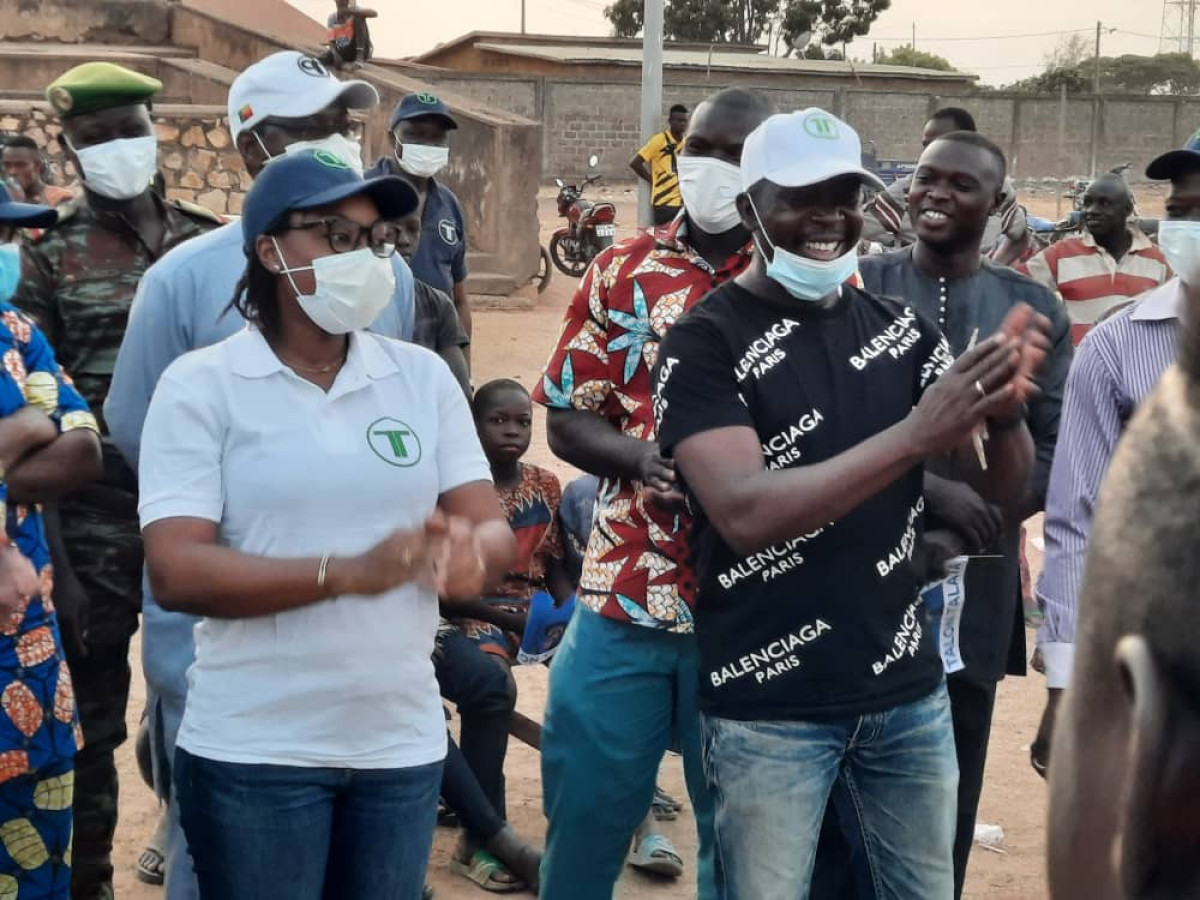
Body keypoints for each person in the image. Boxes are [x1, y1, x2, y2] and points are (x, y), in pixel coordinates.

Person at [651, 107, 1049, 900]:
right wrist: (914, 435)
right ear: (753, 205)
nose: (830, 217)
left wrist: (1003, 417)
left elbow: (995, 502)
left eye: (846, 195)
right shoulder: (705, 341)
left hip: (905, 695)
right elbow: (745, 512)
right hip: (769, 708)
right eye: (803, 196)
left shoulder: (898, 331)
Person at [137, 149, 513, 899]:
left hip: (398, 745)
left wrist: (473, 556)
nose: (365, 257)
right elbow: (177, 572)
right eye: (334, 236)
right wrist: (345, 573)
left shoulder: (420, 378)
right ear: (270, 250)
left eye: (373, 240)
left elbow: (489, 528)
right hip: (254, 750)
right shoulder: (203, 387)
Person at [101, 50, 415, 900]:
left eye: (343, 126)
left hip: (364, 667)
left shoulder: (392, 278)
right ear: (250, 151)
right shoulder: (177, 284)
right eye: (309, 129)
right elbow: (134, 434)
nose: (338, 144)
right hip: (223, 654)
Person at [533, 87, 771, 900]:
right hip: (624, 591)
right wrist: (642, 460)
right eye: (701, 148)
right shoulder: (622, 267)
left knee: (743, 843)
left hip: (754, 608)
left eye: (737, 154)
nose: (713, 166)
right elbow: (567, 416)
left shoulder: (805, 287)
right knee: (585, 816)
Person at [12, 62, 223, 900]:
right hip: (95, 517)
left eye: (128, 131)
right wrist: (59, 566)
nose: (117, 149)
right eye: (96, 140)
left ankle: (206, 862)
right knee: (88, 719)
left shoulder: (209, 241)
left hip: (204, 512)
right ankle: (90, 879)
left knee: (206, 700)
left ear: (153, 129)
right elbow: (42, 423)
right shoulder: (45, 253)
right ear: (69, 146)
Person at [859, 129, 1072, 898]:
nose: (935, 195)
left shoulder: (1033, 308)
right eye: (925, 179)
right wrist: (915, 505)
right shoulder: (863, 286)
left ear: (998, 204)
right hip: (863, 567)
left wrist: (966, 524)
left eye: (960, 184)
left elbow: (1056, 453)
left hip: (976, 581)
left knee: (951, 777)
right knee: (849, 771)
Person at [1044, 166, 1200, 900]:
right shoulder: (1114, 350)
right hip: (1164, 702)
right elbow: (1077, 524)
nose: (1190, 225)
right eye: (1184, 209)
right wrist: (1069, 687)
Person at [0, 185, 102, 900]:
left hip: (29, 671)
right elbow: (45, 429)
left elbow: (82, 449)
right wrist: (22, 432)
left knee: (39, 873)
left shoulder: (16, 332)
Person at [368, 93, 471, 351]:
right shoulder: (361, 194)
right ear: (392, 137)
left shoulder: (449, 205)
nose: (428, 144)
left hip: (433, 348)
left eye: (436, 137)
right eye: (415, 134)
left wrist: (463, 364)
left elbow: (459, 298)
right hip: (375, 344)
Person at [1018, 173, 1170, 344]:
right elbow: (1011, 287)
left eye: (1104, 204)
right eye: (1087, 203)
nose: (1091, 211)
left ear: (1127, 210)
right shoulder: (1061, 254)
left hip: (1138, 368)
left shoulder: (1159, 261)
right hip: (1080, 368)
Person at [865, 106, 1027, 255]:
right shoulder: (908, 190)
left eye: (944, 144)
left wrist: (994, 271)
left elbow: (1019, 236)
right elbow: (852, 229)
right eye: (927, 146)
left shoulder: (997, 190)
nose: (932, 152)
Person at [394, 198, 470, 394]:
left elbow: (459, 394)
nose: (404, 240)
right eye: (392, 230)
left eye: (413, 229)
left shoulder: (436, 307)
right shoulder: (347, 307)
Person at [631, 104, 689, 226]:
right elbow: (635, 163)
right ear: (670, 121)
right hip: (663, 204)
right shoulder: (659, 141)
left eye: (684, 121)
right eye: (679, 120)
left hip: (683, 203)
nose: (682, 124)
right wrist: (651, 180)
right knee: (662, 240)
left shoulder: (686, 143)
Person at [2, 136, 73, 208]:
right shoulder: (4, 202)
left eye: (20, 165)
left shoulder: (61, 197)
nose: (12, 172)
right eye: (6, 165)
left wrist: (20, 203)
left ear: (38, 165)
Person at [320, 0, 377, 69]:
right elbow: (331, 42)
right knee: (324, 58)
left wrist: (350, 11)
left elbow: (374, 13)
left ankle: (359, 58)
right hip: (345, 49)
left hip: (359, 48)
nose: (343, 2)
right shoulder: (332, 18)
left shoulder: (354, 10)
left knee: (358, 17)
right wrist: (335, 54)